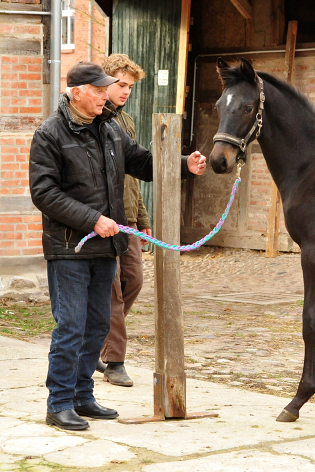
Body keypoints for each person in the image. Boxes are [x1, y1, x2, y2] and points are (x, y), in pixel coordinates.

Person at [29, 61, 206, 430]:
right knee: (71, 326)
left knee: (97, 326)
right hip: (69, 249)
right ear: (77, 92)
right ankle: (58, 402)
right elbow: (44, 192)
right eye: (98, 89)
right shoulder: (49, 133)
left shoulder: (110, 128)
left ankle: (82, 396)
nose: (105, 95)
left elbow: (142, 162)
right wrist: (91, 219)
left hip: (108, 247)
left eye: (104, 88)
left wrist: (184, 164)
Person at [95, 54, 149, 387]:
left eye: (130, 86)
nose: (126, 91)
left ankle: (97, 339)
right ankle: (114, 361)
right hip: (103, 220)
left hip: (128, 217)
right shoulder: (95, 119)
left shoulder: (126, 122)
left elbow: (133, 176)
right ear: (106, 81)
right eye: (121, 84)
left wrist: (142, 218)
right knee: (111, 290)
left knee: (135, 280)